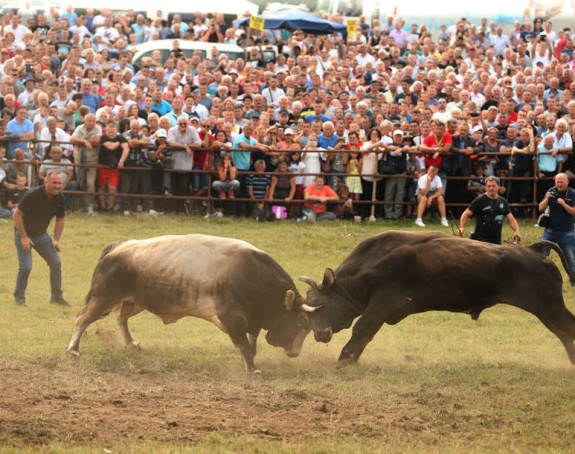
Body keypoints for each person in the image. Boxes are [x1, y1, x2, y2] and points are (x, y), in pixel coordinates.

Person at [13, 172, 69, 307]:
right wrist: (24, 237)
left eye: (59, 183)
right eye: (54, 183)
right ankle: (19, 299)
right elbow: (17, 215)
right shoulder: (32, 195)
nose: (57, 186)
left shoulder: (60, 198)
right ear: (46, 183)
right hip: (24, 233)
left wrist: (56, 240)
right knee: (26, 266)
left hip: (42, 235)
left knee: (56, 263)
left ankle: (56, 297)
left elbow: (60, 220)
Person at [458, 176, 521, 244]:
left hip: (496, 241)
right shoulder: (479, 200)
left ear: (498, 186)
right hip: (480, 240)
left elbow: (511, 219)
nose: (491, 188)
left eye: (493, 186)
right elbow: (466, 213)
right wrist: (462, 227)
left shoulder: (503, 201)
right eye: (489, 186)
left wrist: (517, 231)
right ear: (485, 187)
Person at [538, 173, 575, 283]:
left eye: (561, 182)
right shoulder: (552, 190)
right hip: (550, 231)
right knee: (541, 256)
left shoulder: (572, 193)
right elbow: (540, 208)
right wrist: (547, 198)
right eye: (557, 182)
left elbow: (573, 212)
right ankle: (541, 280)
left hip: (566, 232)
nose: (559, 184)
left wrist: (564, 204)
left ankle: (573, 282)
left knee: (571, 260)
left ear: (567, 182)